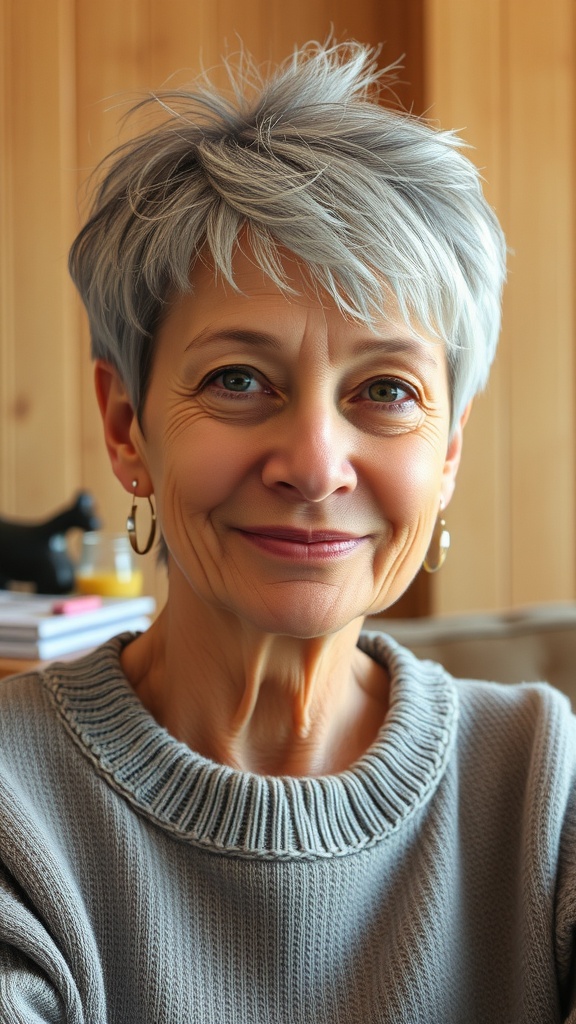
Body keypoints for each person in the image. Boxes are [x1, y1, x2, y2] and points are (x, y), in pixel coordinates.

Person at [0, 40, 574, 1024]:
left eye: (385, 390)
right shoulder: (16, 809)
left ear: (447, 453)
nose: (314, 464)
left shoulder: (542, 783)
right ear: (126, 424)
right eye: (238, 379)